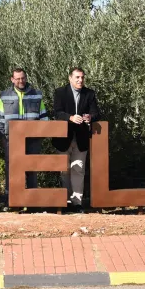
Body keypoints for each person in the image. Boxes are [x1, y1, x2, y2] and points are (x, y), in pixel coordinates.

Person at [0, 68, 49, 202]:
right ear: (12, 79)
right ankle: (11, 200)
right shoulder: (4, 96)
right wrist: (3, 139)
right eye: (18, 78)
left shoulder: (36, 95)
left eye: (23, 78)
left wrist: (39, 137)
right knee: (12, 170)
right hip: (11, 141)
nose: (21, 81)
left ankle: (32, 201)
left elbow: (44, 118)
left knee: (32, 169)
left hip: (33, 140)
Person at [52, 67, 101, 208]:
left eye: (82, 77)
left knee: (78, 169)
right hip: (63, 138)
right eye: (77, 77)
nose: (80, 80)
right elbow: (57, 113)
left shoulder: (89, 94)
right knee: (64, 170)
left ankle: (77, 202)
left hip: (81, 138)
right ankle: (66, 200)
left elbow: (96, 113)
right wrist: (71, 118)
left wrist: (89, 117)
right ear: (70, 78)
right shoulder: (60, 92)